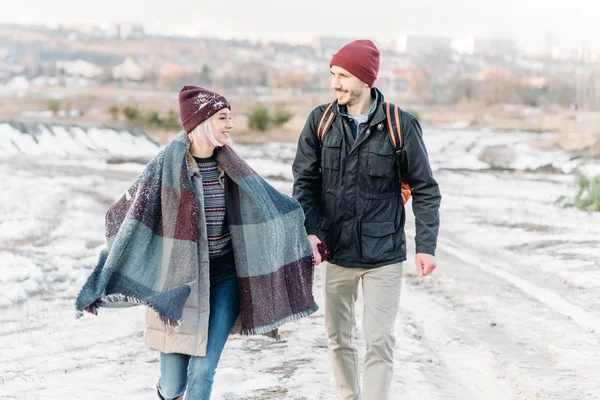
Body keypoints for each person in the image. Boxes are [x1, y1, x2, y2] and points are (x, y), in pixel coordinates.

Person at [76, 86, 318, 400]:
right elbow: (124, 215)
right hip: (180, 281)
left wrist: (303, 233)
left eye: (230, 117)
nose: (230, 124)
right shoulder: (165, 167)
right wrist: (121, 263)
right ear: (201, 122)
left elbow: (271, 206)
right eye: (223, 118)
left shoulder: (231, 167)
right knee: (175, 384)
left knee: (203, 372)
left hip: (224, 277)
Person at [292, 40, 441, 400]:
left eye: (342, 75)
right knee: (338, 338)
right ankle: (348, 395)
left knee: (378, 340)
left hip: (383, 255)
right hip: (337, 252)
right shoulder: (321, 121)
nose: (335, 83)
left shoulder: (399, 125)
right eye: (332, 75)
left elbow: (425, 188)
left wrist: (426, 247)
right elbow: (304, 182)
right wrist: (310, 233)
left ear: (364, 78)